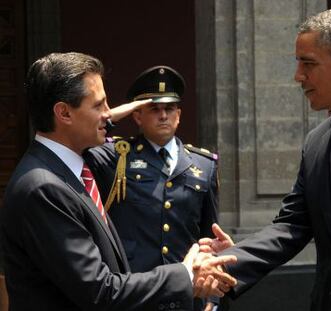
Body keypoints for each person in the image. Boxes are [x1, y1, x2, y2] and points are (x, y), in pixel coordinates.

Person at [198, 8, 331, 311]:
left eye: (308, 64)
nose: (298, 76)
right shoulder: (317, 142)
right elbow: (291, 227)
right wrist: (228, 262)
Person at [0, 52, 237, 311]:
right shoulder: (44, 188)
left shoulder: (66, 171)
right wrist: (185, 274)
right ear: (64, 113)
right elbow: (99, 291)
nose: (108, 114)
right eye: (99, 105)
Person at [84, 65, 220, 310]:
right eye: (154, 109)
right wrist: (121, 112)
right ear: (137, 116)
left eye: (169, 109)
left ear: (179, 114)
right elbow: (83, 141)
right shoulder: (117, 156)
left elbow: (209, 239)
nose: (163, 116)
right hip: (136, 291)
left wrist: (212, 297)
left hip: (187, 296)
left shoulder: (203, 164)